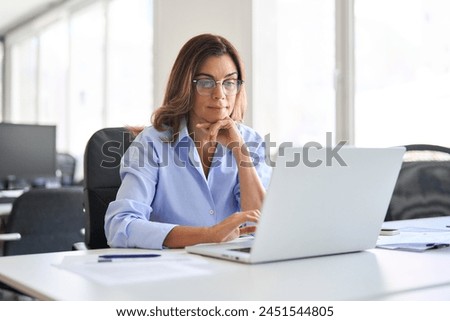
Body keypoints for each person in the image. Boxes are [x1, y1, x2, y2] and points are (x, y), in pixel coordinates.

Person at [104, 34, 272, 249]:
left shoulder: (250, 141)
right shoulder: (152, 143)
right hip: (170, 270)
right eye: (205, 82)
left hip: (234, 268)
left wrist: (240, 152)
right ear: (185, 86)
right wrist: (208, 235)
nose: (220, 94)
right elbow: (120, 225)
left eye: (229, 82)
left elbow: (261, 227)